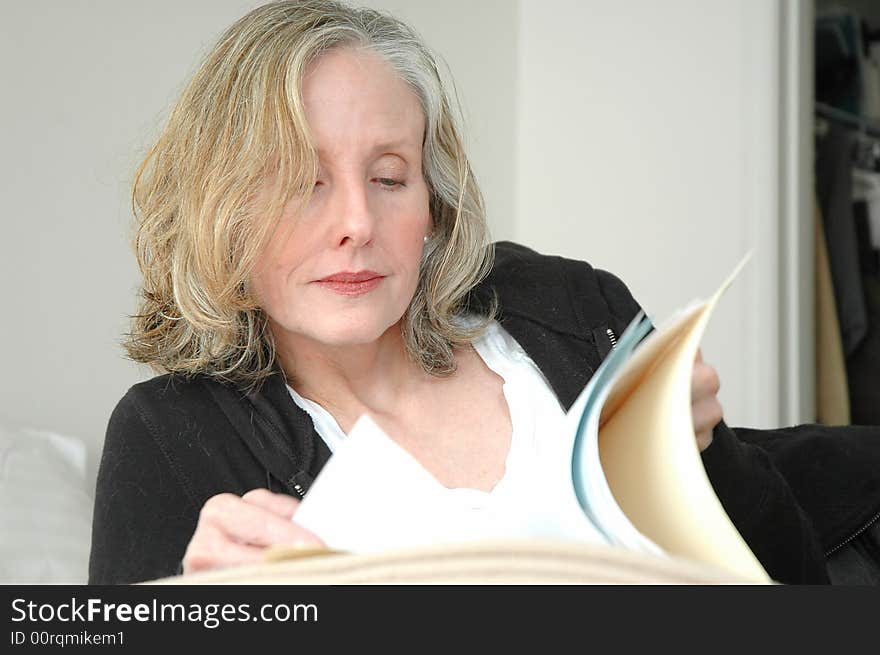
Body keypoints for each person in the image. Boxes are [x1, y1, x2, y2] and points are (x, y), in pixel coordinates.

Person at [89, 0, 880, 585]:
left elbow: (792, 578)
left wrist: (709, 460)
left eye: (390, 177)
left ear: (432, 202)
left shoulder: (579, 310)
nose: (358, 222)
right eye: (305, 181)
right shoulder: (172, 436)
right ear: (221, 210)